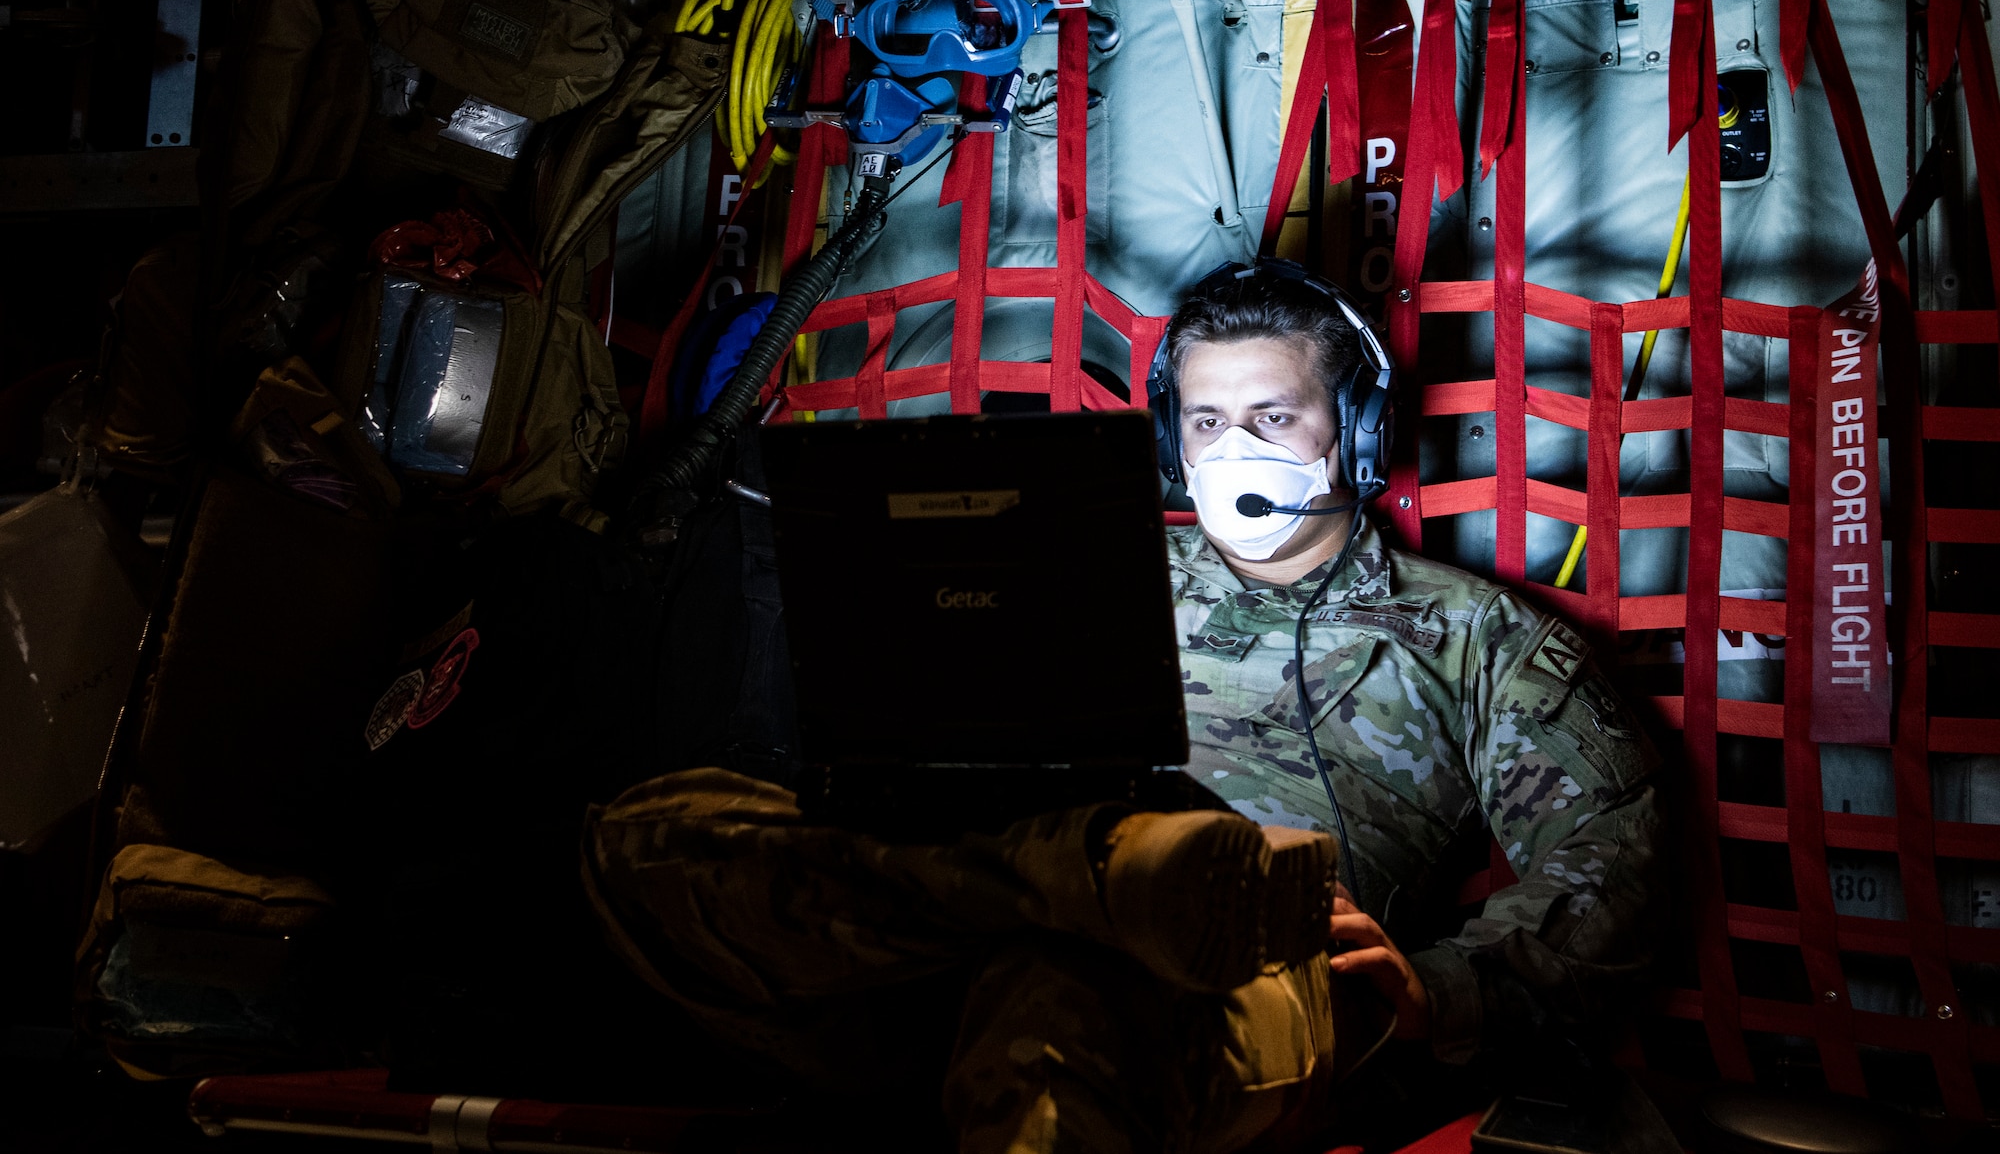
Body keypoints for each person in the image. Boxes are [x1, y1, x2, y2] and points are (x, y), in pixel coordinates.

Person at [582, 261, 1665, 1153]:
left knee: (1056, 995)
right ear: (1169, 440)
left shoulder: (1472, 637)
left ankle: (1125, 884)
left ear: (1355, 432)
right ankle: (1094, 875)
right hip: (960, 934)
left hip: (1239, 982)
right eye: (1205, 420)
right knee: (653, 835)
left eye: (1272, 416)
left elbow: (1614, 858)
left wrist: (1439, 992)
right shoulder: (1083, 561)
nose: (1232, 449)